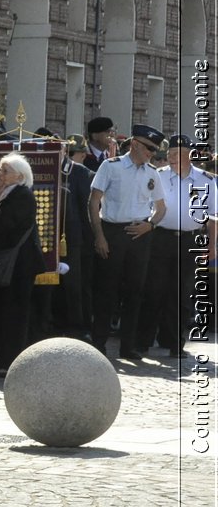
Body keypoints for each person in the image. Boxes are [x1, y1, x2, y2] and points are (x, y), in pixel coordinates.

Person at [88, 124, 167, 361]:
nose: (152, 153)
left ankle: (128, 346)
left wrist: (150, 224)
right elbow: (93, 203)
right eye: (150, 148)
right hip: (113, 231)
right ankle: (98, 344)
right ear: (135, 144)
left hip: (140, 235)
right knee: (106, 291)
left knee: (135, 292)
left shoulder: (152, 173)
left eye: (155, 150)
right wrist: (99, 236)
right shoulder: (111, 167)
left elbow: (161, 208)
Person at [144, 135, 217, 359]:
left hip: (190, 240)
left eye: (176, 153)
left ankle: (176, 343)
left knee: (182, 293)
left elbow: (213, 217)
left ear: (189, 155)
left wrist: (212, 245)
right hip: (161, 238)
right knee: (154, 290)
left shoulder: (205, 179)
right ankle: (143, 341)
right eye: (169, 154)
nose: (170, 157)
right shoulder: (158, 176)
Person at [0, 153, 44, 376]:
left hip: (20, 263)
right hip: (3, 260)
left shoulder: (23, 195)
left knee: (14, 313)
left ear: (19, 176)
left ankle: (12, 361)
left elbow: (7, 226)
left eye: (5, 171)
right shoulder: (3, 192)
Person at [58, 136, 96, 336]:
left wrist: (89, 239)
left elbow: (87, 209)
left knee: (76, 285)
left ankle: (78, 327)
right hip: (49, 236)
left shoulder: (80, 172)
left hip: (73, 238)